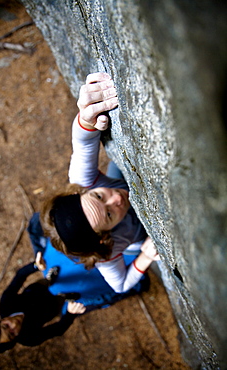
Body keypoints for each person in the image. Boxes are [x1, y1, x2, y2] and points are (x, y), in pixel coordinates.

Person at [40, 72, 160, 293]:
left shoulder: (82, 184)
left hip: (119, 180)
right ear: (104, 237)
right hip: (135, 238)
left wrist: (86, 118)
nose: (116, 199)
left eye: (99, 196)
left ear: (81, 192)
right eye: (108, 215)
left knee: (116, 170)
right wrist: (144, 257)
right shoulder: (108, 252)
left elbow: (83, 142)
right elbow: (120, 285)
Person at [0, 254, 84, 354]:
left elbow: (19, 276)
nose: (14, 325)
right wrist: (70, 313)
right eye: (12, 334)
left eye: (6, 326)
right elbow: (57, 330)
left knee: (45, 282)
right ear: (15, 339)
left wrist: (35, 266)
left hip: (37, 289)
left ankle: (49, 279)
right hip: (51, 308)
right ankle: (65, 296)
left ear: (1, 320)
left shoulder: (5, 305)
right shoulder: (29, 339)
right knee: (69, 296)